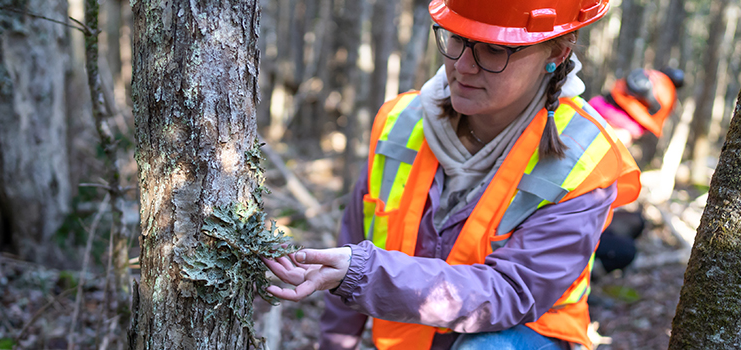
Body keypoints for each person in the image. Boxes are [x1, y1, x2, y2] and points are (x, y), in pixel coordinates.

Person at [262, 1, 641, 349]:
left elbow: (512, 291)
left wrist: (368, 274)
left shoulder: (586, 160)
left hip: (522, 334)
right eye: (458, 39)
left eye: (495, 50)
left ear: (557, 54)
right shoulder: (400, 121)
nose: (462, 65)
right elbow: (351, 244)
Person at [587, 67, 685, 277]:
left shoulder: (594, 118)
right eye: (634, 132)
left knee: (635, 222)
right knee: (624, 251)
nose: (634, 139)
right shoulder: (594, 136)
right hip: (566, 231)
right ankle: (583, 274)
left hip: (585, 219)